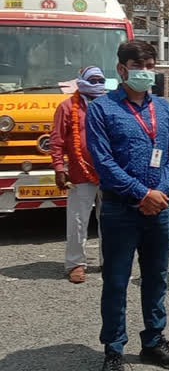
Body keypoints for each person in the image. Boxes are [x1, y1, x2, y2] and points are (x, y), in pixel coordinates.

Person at [86, 41, 169, 371]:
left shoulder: (164, 109)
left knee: (156, 278)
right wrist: (142, 194)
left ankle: (153, 341)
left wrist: (157, 193)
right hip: (119, 210)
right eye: (138, 65)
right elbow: (103, 162)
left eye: (150, 65)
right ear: (122, 69)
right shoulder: (102, 109)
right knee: (116, 281)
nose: (145, 71)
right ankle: (113, 349)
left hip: (159, 210)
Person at [50, 66, 106, 283]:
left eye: (100, 79)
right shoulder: (67, 107)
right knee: (77, 220)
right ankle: (75, 264)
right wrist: (58, 168)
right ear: (81, 81)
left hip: (109, 174)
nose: (97, 83)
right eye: (92, 79)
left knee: (109, 220)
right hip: (79, 173)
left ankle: (108, 261)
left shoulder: (109, 104)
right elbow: (56, 141)